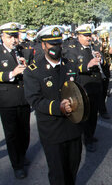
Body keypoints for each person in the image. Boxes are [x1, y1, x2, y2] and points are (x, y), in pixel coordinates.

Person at [23, 25, 83, 185]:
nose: (56, 48)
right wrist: (59, 107)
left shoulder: (70, 65)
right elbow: (34, 100)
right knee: (58, 175)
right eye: (52, 44)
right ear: (43, 45)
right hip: (52, 131)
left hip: (73, 128)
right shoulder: (33, 71)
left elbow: (77, 90)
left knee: (72, 169)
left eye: (58, 44)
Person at [63, 24, 103, 152]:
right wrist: (87, 66)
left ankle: (90, 134)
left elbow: (103, 64)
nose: (88, 38)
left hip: (96, 84)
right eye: (85, 36)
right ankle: (87, 138)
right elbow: (71, 68)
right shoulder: (72, 49)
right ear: (78, 36)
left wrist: (100, 60)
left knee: (94, 113)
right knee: (85, 114)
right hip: (84, 85)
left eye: (89, 35)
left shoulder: (92, 47)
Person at [0, 22, 30, 179]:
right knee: (12, 135)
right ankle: (17, 165)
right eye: (9, 37)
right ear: (2, 36)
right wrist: (11, 74)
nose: (13, 40)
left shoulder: (20, 51)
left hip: (23, 98)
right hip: (7, 100)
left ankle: (22, 154)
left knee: (25, 133)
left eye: (15, 36)